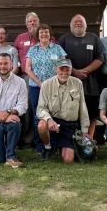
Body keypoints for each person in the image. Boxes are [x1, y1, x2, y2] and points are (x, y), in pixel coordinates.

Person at [57, 14, 103, 141]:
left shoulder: (93, 38)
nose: (78, 23)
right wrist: (74, 72)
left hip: (90, 83)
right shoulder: (64, 39)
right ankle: (73, 140)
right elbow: (61, 60)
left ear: (86, 24)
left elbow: (100, 58)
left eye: (81, 21)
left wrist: (85, 71)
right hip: (69, 81)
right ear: (71, 25)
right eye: (75, 22)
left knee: (91, 113)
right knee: (71, 111)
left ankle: (89, 141)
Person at [36, 59, 90, 163]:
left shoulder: (77, 83)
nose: (64, 73)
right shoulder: (46, 84)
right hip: (53, 123)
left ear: (71, 71)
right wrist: (49, 120)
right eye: (61, 69)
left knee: (68, 160)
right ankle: (48, 148)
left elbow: (82, 108)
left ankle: (61, 147)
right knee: (42, 125)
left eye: (67, 70)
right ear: (56, 69)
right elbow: (40, 108)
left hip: (69, 125)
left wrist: (85, 131)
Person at [25, 23, 66, 154]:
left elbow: (63, 67)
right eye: (41, 32)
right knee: (38, 115)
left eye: (46, 32)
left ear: (50, 34)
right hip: (36, 87)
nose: (44, 34)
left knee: (55, 113)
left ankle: (55, 144)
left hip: (54, 87)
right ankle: (40, 145)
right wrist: (40, 83)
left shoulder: (57, 49)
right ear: (38, 35)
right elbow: (27, 69)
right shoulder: (32, 50)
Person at [13, 12, 42, 149]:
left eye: (34, 21)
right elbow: (14, 57)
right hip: (26, 78)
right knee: (28, 109)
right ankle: (27, 140)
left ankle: (42, 139)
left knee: (42, 108)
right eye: (30, 21)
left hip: (44, 79)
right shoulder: (20, 38)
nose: (32, 23)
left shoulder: (45, 36)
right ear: (26, 24)